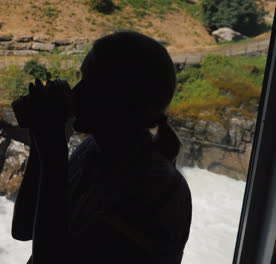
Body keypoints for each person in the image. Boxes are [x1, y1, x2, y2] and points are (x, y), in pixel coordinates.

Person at [11, 31, 192, 264]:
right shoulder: (93, 151)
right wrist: (41, 140)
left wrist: (53, 151)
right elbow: (23, 229)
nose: (76, 92)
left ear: (122, 98)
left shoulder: (156, 189)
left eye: (91, 83)